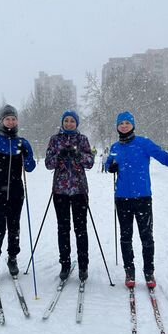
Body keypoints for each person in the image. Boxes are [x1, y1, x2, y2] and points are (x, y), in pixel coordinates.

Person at [105, 111, 168, 288]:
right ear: (117, 126)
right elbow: (109, 163)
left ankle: (149, 272)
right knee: (125, 236)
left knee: (146, 236)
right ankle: (129, 271)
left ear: (133, 125)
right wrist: (111, 167)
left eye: (127, 122)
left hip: (142, 197)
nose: (124, 125)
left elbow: (164, 157)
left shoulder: (144, 144)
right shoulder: (115, 147)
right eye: (120, 123)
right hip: (122, 198)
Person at [0, 104, 36, 280]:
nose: (10, 122)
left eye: (13, 118)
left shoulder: (22, 142)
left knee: (14, 227)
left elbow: (30, 167)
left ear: (17, 121)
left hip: (16, 191)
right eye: (7, 119)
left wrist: (27, 154)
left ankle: (12, 258)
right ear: (2, 121)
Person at [45, 110, 94, 281]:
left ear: (77, 123)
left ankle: (83, 265)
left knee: (81, 229)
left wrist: (78, 155)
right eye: (66, 120)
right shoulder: (55, 139)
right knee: (63, 228)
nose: (69, 123)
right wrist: (60, 156)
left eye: (72, 121)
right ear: (62, 122)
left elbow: (90, 162)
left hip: (79, 190)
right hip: (60, 191)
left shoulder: (82, 140)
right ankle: (65, 264)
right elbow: (48, 164)